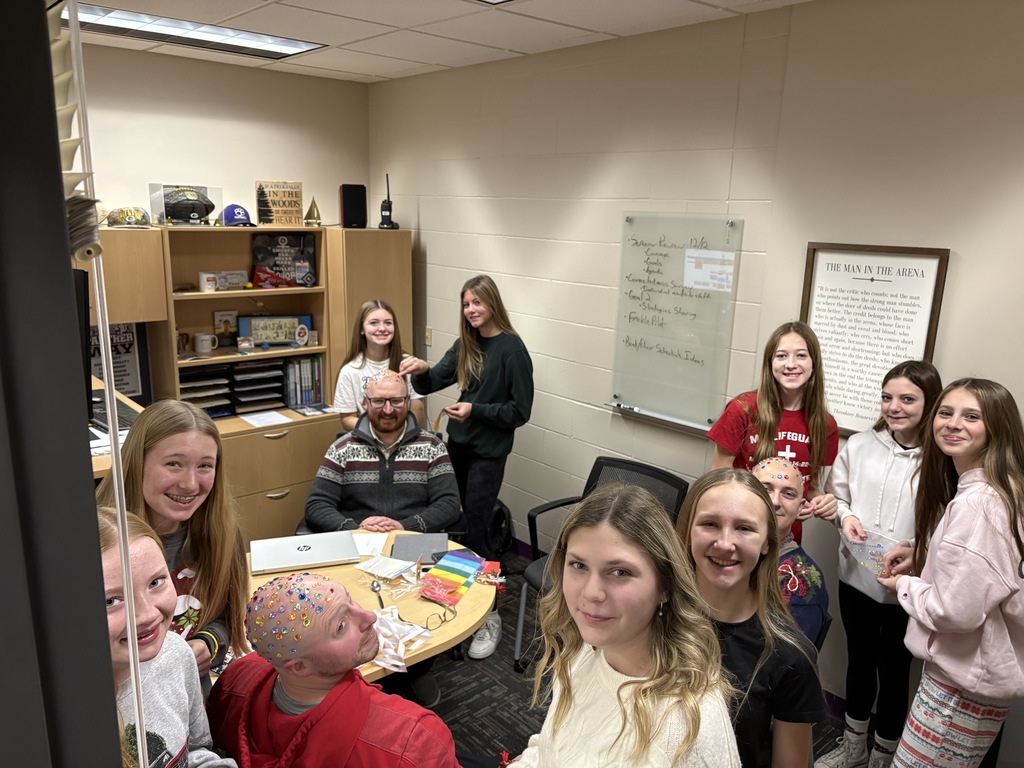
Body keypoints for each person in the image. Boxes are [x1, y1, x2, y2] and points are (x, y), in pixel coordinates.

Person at [513, 483, 740, 767]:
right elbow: (552, 747)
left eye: (620, 572)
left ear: (665, 587)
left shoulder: (688, 726)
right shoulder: (581, 651)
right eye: (579, 565)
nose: (591, 593)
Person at [878, 378, 1024, 768]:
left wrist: (905, 586)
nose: (952, 423)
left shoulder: (979, 504)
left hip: (960, 689)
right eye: (946, 413)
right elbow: (980, 573)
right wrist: (924, 555)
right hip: (978, 683)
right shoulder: (1003, 489)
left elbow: (955, 611)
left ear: (997, 427)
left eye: (971, 416)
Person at [814, 361, 942, 768]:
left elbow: (946, 527)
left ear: (930, 402)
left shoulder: (941, 459)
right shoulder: (861, 445)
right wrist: (845, 517)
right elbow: (841, 497)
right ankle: (853, 748)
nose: (894, 407)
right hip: (856, 577)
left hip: (908, 587)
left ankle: (883, 756)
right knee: (859, 662)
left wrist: (918, 550)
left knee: (896, 671)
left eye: (907, 399)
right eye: (888, 397)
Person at [400, 274, 534, 659]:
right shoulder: (466, 343)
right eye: (466, 304)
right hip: (458, 445)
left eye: (477, 302)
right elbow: (431, 382)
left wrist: (475, 410)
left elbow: (519, 411)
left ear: (492, 303)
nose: (472, 310)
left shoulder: (512, 350)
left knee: (476, 530)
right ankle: (451, 601)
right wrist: (421, 367)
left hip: (488, 452)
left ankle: (489, 614)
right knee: (451, 523)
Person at [206, 571, 460, 768]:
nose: (370, 616)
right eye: (340, 625)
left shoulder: (235, 678)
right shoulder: (411, 739)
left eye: (350, 600)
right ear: (299, 666)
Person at [677, 468, 825, 768]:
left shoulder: (789, 654)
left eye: (744, 528)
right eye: (709, 524)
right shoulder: (655, 615)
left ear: (767, 543)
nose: (725, 543)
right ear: (687, 530)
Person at [96, 400, 248, 684]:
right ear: (137, 462)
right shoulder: (96, 541)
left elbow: (227, 615)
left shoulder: (221, 532)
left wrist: (208, 643)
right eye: (174, 464)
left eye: (204, 466)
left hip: (188, 698)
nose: (190, 484)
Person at [97, 506, 236, 768]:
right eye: (111, 600)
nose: (147, 614)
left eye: (155, 582)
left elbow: (195, 750)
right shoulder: (60, 711)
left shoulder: (175, 654)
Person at [708, 321, 840, 542]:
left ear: (814, 363)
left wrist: (819, 502)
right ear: (770, 363)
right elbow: (716, 482)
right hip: (740, 535)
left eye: (801, 356)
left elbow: (808, 486)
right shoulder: (742, 410)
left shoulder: (824, 424)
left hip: (786, 539)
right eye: (781, 356)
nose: (791, 364)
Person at [305, 370, 460, 534]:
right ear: (365, 402)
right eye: (378, 401)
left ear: (407, 402)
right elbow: (317, 505)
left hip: (414, 539)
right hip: (358, 540)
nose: (388, 410)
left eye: (396, 401)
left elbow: (449, 503)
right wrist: (355, 529)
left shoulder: (432, 447)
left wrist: (403, 527)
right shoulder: (342, 449)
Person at [751, 457, 829, 643]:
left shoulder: (799, 579)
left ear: (800, 508)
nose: (775, 501)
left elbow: (787, 662)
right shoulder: (726, 548)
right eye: (766, 489)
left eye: (788, 494)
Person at [334, 299, 426, 432]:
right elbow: (347, 419)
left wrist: (399, 435)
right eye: (373, 323)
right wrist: (380, 432)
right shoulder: (350, 371)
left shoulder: (408, 364)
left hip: (403, 437)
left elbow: (417, 408)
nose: (382, 328)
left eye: (388, 323)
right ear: (361, 329)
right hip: (367, 440)